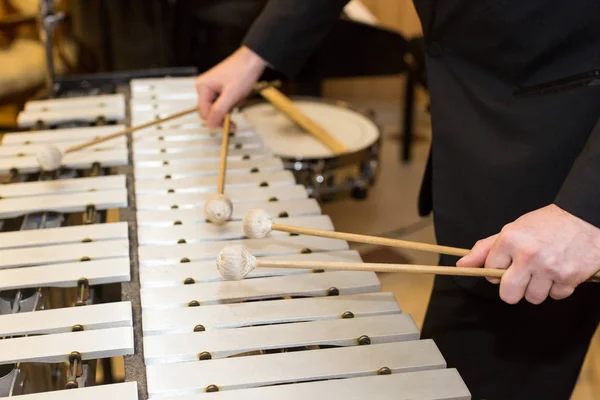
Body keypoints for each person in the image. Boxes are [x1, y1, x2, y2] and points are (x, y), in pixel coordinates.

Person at [195, 1, 600, 398]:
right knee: (446, 375)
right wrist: (258, 51)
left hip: (561, 171)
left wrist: (586, 212)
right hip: (473, 160)